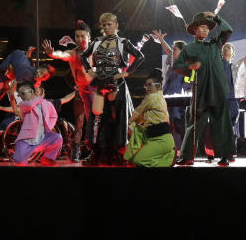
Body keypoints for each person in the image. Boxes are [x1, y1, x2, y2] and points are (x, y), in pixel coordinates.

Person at [80, 12, 144, 165]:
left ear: (116, 25)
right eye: (104, 25)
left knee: (117, 118)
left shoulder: (123, 42)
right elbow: (83, 56)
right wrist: (89, 70)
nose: (107, 27)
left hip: (116, 84)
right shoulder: (96, 42)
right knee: (97, 118)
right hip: (100, 82)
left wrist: (126, 73)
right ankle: (97, 152)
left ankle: (118, 152)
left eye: (110, 24)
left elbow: (140, 56)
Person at [173, 11, 235, 166]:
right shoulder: (189, 49)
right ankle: (186, 156)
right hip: (200, 90)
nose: (205, 30)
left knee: (221, 123)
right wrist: (190, 66)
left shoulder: (215, 44)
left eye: (208, 28)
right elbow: (177, 66)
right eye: (202, 27)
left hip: (218, 90)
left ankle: (225, 156)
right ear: (194, 30)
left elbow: (228, 30)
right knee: (194, 123)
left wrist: (215, 17)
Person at [42, 20, 94, 161]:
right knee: (79, 123)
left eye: (82, 36)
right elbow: (62, 54)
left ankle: (96, 151)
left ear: (89, 37)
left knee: (94, 123)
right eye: (77, 36)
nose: (79, 39)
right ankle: (76, 152)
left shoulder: (95, 52)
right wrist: (52, 54)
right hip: (81, 93)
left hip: (95, 93)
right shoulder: (73, 53)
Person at [124, 69, 176, 168]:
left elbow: (136, 114)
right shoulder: (160, 97)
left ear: (159, 85)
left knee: (138, 160)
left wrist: (127, 123)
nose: (147, 87)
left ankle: (169, 158)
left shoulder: (151, 97)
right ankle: (167, 156)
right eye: (146, 85)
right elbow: (141, 118)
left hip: (160, 140)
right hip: (159, 139)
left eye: (149, 85)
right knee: (140, 160)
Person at [154, 30, 191, 150]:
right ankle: (169, 148)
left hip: (179, 99)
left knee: (179, 122)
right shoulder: (172, 61)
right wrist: (160, 39)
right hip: (167, 96)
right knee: (167, 122)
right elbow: (167, 50)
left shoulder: (187, 64)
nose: (172, 51)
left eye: (175, 49)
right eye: (173, 49)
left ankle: (181, 149)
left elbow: (189, 83)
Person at [11, 81, 63, 166]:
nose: (21, 96)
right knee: (19, 161)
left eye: (23, 93)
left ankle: (47, 158)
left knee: (58, 138)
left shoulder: (46, 103)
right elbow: (30, 104)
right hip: (27, 141)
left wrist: (49, 126)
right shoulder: (24, 104)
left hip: (42, 138)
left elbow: (53, 116)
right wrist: (39, 99)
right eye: (20, 94)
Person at [222, 42, 246, 139]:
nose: (226, 48)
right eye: (225, 47)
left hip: (232, 98)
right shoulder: (216, 65)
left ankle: (232, 148)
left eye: (229, 47)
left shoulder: (235, 67)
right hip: (220, 99)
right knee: (221, 122)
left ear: (233, 53)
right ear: (221, 52)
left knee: (234, 119)